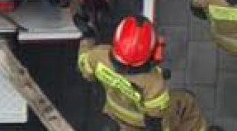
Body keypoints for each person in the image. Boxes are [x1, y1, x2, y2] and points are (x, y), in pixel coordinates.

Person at [76, 14, 216, 131]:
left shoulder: (97, 56)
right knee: (186, 101)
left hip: (115, 109)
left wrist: (87, 37)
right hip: (142, 119)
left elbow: (85, 70)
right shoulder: (154, 83)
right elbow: (154, 119)